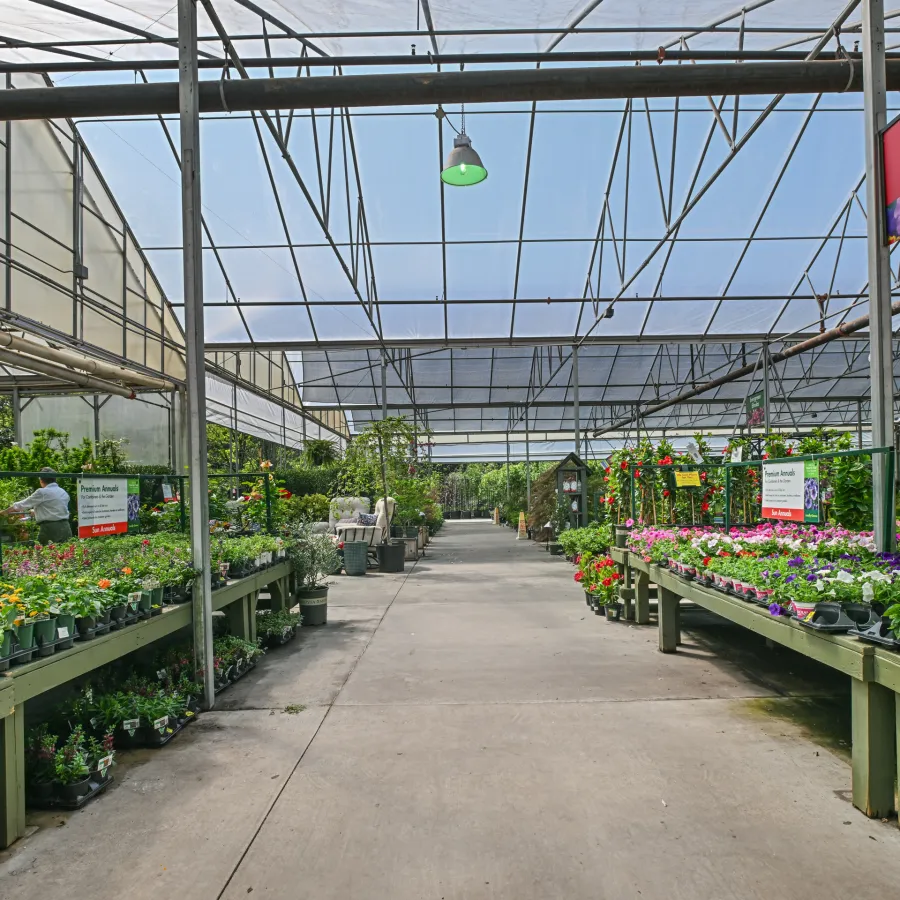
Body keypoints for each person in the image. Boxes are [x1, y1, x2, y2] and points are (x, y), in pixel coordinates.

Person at [1, 467, 72, 544]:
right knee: (65, 553)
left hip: (50, 528)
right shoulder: (63, 492)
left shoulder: (42, 492)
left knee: (45, 552)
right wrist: (37, 511)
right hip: (65, 527)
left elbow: (23, 504)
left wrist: (5, 511)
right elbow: (55, 508)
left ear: (41, 480)